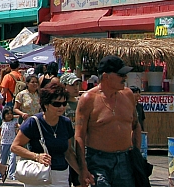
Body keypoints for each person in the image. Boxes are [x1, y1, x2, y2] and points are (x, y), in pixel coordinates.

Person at [74, 55, 139, 187]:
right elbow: (79, 136)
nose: (125, 78)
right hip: (98, 161)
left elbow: (136, 125)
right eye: (121, 75)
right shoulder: (88, 99)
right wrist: (83, 169)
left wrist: (137, 156)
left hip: (125, 160)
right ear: (106, 76)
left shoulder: (128, 95)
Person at [12, 82, 82, 187]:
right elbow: (15, 147)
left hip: (61, 174)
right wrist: (36, 156)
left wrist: (81, 174)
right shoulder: (33, 122)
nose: (61, 107)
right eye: (57, 104)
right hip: (38, 174)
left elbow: (68, 152)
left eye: (64, 103)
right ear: (46, 104)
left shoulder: (66, 123)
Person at [0, 106, 19, 182]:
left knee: (12, 159)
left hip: (12, 144)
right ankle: (0, 172)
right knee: (3, 159)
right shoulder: (2, 123)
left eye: (11, 113)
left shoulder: (14, 122)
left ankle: (11, 174)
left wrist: (19, 127)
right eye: (7, 114)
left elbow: (19, 127)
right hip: (4, 143)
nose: (9, 115)